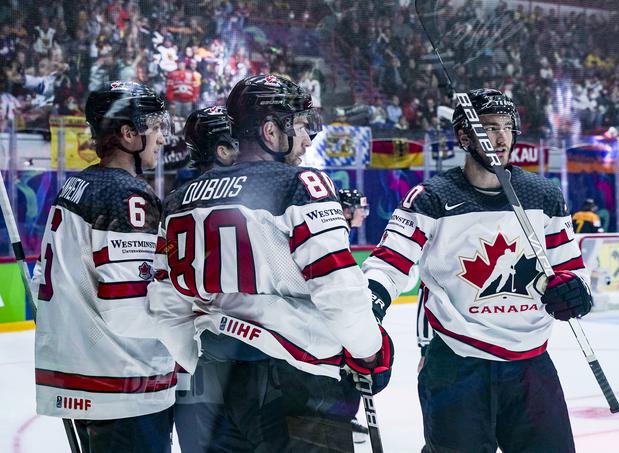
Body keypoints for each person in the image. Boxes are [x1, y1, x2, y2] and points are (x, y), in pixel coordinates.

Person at [147, 74, 392, 452]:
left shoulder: (180, 201)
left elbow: (165, 303)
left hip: (212, 381)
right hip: (297, 380)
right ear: (270, 132)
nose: (308, 138)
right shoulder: (300, 184)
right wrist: (368, 351)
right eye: (297, 125)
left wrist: (197, 358)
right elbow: (338, 287)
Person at [362, 89, 592, 453]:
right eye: (488, 127)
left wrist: (575, 290)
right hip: (457, 364)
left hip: (531, 364)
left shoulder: (543, 195)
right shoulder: (430, 198)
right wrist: (368, 306)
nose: (500, 138)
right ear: (464, 136)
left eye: (507, 128)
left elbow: (571, 267)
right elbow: (389, 263)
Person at [30, 81, 176, 452]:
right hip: (124, 381)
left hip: (84, 372)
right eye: (155, 128)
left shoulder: (77, 185)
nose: (162, 138)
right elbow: (130, 304)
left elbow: (39, 284)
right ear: (129, 134)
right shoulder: (127, 195)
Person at [170, 105, 241, 453]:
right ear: (222, 150)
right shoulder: (249, 198)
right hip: (240, 358)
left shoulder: (171, 203)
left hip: (189, 362)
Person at [337, 187, 372, 444]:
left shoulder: (340, 231)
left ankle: (341, 417)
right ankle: (340, 419)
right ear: (347, 210)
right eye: (360, 208)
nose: (364, 213)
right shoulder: (335, 233)